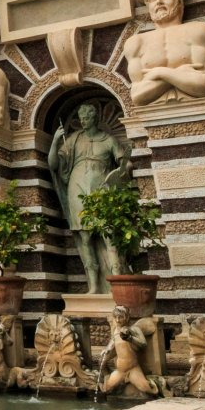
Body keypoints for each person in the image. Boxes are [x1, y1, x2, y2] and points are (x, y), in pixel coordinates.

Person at [48, 102, 129, 292]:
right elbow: (53, 165)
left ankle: (117, 281)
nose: (83, 122)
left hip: (101, 187)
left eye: (87, 118)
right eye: (81, 118)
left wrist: (125, 169)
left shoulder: (108, 140)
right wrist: (54, 141)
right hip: (77, 187)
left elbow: (124, 165)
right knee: (85, 238)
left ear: (95, 119)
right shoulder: (74, 139)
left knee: (108, 234)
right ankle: (93, 285)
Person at [124, 0, 205, 106]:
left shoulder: (197, 31)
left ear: (178, 2)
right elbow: (137, 97)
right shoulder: (135, 43)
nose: (159, 1)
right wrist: (178, 74)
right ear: (148, 7)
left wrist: (159, 73)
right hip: (154, 115)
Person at [100, 306, 157, 395]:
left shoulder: (134, 329)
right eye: (116, 317)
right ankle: (107, 376)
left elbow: (143, 344)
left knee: (148, 390)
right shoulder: (115, 331)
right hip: (120, 371)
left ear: (126, 317)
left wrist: (130, 338)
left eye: (120, 317)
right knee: (106, 389)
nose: (118, 320)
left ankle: (156, 384)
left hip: (133, 369)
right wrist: (107, 349)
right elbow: (113, 341)